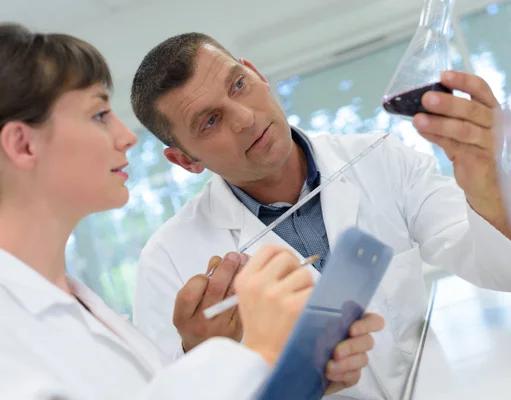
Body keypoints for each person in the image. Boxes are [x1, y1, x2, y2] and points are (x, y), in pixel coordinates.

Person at [130, 32, 511, 399]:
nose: (244, 118)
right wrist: (207, 358)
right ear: (185, 160)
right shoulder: (168, 261)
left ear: (256, 73)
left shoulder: (380, 158)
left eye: (238, 85)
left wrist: (490, 188)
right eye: (209, 121)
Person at [0, 24, 384, 399]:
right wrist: (261, 354)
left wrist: (292, 380)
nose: (128, 137)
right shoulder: (11, 340)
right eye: (99, 114)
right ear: (23, 145)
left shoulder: (83, 307)